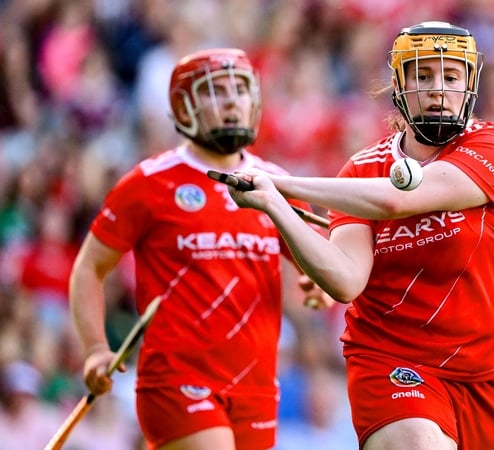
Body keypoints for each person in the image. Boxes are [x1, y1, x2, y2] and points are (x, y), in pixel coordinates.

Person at [226, 21, 494, 450]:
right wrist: (275, 205)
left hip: (483, 374)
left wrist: (285, 184)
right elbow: (346, 280)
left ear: (470, 84)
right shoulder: (362, 170)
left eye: (451, 76)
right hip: (389, 358)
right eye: (422, 76)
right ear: (399, 85)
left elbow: (395, 202)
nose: (438, 89)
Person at [69, 48, 327, 450]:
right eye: (215, 91)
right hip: (176, 381)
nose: (231, 101)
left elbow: (320, 263)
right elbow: (89, 268)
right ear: (183, 107)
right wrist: (95, 349)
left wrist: (316, 283)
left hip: (256, 386)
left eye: (240, 89)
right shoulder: (149, 183)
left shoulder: (278, 184)